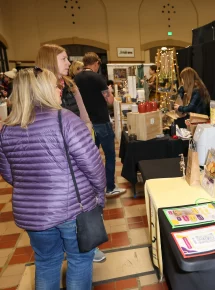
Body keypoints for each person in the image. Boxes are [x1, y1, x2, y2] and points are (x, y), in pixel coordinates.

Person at [0, 68, 106, 290]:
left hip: (32, 215)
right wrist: (100, 196)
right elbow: (93, 166)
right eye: (55, 85)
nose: (60, 88)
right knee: (79, 260)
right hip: (72, 209)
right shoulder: (65, 119)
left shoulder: (7, 128)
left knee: (47, 262)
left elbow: (11, 175)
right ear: (42, 89)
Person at [74, 52, 126, 197]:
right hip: (101, 121)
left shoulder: (75, 78)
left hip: (85, 124)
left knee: (89, 157)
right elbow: (110, 100)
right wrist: (110, 92)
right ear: (96, 63)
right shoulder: (97, 78)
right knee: (109, 155)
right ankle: (110, 187)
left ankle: (90, 189)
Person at [36, 44, 92, 132]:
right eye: (63, 59)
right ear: (50, 61)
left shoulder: (70, 85)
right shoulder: (35, 89)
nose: (68, 63)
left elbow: (85, 119)